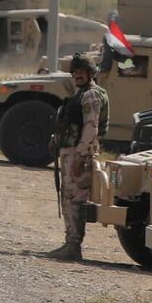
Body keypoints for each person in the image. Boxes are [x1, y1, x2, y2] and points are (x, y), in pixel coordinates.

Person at [40, 54, 108, 261]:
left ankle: (74, 245)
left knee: (75, 200)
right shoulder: (82, 94)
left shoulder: (91, 96)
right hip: (70, 151)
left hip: (79, 154)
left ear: (91, 73)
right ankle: (70, 242)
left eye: (80, 72)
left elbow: (91, 126)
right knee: (69, 199)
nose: (76, 75)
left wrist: (80, 154)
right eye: (74, 72)